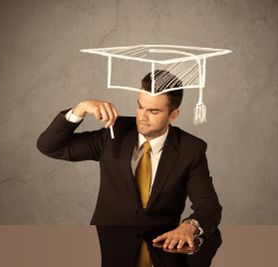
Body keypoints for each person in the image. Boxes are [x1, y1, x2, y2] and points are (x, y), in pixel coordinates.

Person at [37, 70, 222, 250]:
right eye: (140, 106)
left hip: (161, 247)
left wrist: (189, 226)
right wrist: (80, 108)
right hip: (108, 245)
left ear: (173, 115)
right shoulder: (114, 132)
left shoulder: (191, 149)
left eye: (153, 111)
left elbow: (209, 205)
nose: (142, 116)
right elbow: (50, 146)